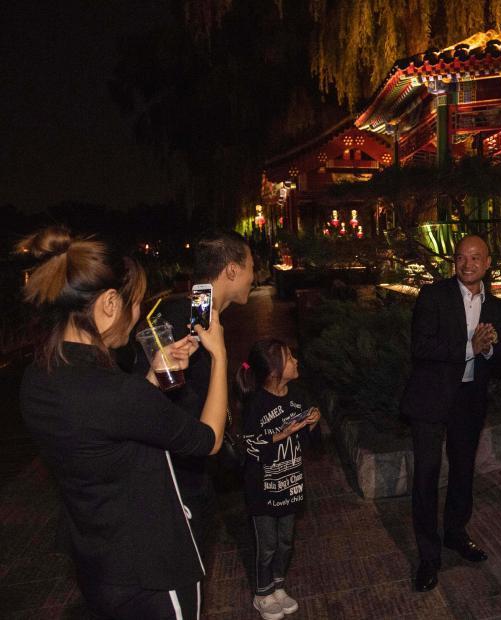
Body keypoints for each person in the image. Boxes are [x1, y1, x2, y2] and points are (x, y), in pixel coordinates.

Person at [19, 227, 229, 618]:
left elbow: (103, 428)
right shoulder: (117, 392)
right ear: (110, 303)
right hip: (152, 574)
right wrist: (219, 357)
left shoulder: (38, 378)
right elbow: (209, 440)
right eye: (135, 304)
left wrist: (152, 377)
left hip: (97, 565)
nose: (136, 317)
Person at [401, 235, 501, 592]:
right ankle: (428, 556)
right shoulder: (433, 296)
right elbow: (421, 346)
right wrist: (469, 347)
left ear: (488, 263)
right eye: (461, 257)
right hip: (431, 398)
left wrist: (489, 350)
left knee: (463, 472)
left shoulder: (495, 307)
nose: (467, 264)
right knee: (426, 476)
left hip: (469, 400)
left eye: (475, 257)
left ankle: (455, 533)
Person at [135, 230, 255, 550]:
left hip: (197, 471)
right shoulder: (180, 321)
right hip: (178, 481)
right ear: (232, 270)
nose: (253, 277)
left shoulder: (202, 316)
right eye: (251, 268)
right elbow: (153, 402)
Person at [236, 339, 321, 620]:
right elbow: (248, 447)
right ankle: (263, 593)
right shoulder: (255, 403)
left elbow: (308, 444)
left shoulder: (297, 395)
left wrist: (312, 424)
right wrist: (280, 435)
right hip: (262, 489)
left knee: (286, 541)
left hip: (291, 484)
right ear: (273, 370)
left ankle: (278, 586)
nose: (296, 361)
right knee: (267, 544)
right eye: (289, 357)